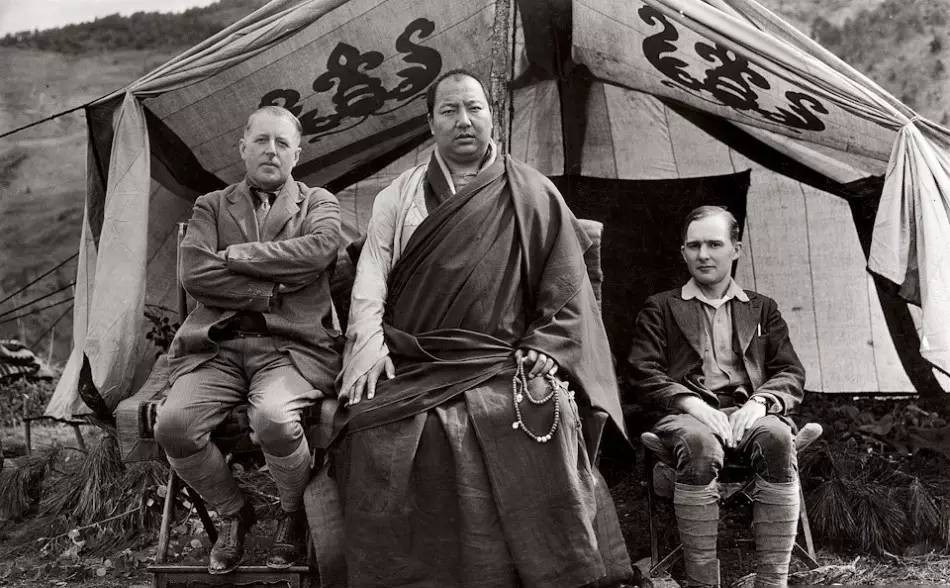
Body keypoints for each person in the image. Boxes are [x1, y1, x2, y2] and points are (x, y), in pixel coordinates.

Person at [331, 69, 634, 587]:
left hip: (502, 358)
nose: (464, 120)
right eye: (449, 110)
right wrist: (369, 348)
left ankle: (551, 569)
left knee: (542, 412)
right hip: (417, 359)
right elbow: (371, 279)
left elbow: (566, 287)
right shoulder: (397, 196)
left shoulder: (532, 192)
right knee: (374, 426)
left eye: (474, 108)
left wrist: (547, 344)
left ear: (493, 117)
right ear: (430, 123)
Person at [154, 106, 342, 574]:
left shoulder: (318, 202)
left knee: (274, 419)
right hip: (216, 348)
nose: (271, 151)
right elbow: (195, 272)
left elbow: (319, 251)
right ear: (243, 148)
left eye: (282, 143)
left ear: (297, 154)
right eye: (261, 141)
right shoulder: (211, 205)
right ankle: (235, 512)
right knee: (173, 426)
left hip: (290, 348)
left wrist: (236, 255)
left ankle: (292, 513)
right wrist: (270, 290)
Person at [627, 205, 805, 588]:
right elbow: (643, 372)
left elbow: (790, 372)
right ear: (683, 252)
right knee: (699, 445)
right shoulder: (661, 307)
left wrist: (759, 404)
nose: (703, 255)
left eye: (714, 244)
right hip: (687, 414)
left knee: (777, 438)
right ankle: (703, 582)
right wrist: (691, 405)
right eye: (694, 246)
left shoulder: (762, 308)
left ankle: (772, 581)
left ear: (736, 249)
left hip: (747, 411)